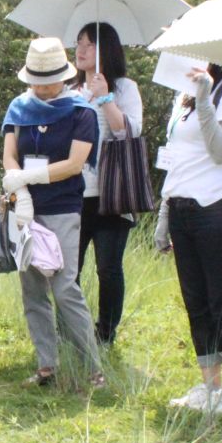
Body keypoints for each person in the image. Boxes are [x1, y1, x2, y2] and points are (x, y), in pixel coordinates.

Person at [155, 61, 222, 415]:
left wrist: (204, 99)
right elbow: (177, 159)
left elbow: (221, 150)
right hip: (182, 208)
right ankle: (210, 386)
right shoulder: (183, 96)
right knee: (196, 303)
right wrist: (164, 213)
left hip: (218, 207)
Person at [1, 38, 106, 387]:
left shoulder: (80, 111)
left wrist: (29, 177)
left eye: (48, 81)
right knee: (32, 289)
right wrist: (20, 189)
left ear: (63, 76)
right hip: (24, 209)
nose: (42, 88)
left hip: (62, 207)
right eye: (36, 81)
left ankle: (93, 368)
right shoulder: (19, 107)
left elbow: (75, 164)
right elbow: (9, 155)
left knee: (64, 288)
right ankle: (47, 365)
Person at [70, 23, 143, 345]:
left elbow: (129, 133)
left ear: (106, 50)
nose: (81, 50)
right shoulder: (70, 89)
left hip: (112, 192)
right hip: (74, 192)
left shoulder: (124, 88)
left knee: (108, 268)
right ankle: (72, 330)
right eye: (78, 44)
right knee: (69, 267)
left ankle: (105, 334)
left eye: (89, 45)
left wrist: (106, 98)